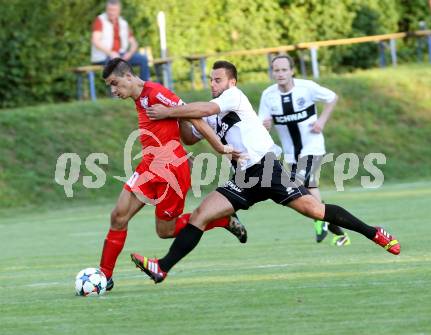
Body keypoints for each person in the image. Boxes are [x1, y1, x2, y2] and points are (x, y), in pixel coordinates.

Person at [132, 60, 400, 284]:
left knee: (315, 211)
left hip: (266, 167)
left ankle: (374, 232)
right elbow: (190, 137)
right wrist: (175, 116)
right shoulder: (211, 114)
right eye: (211, 80)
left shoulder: (232, 97)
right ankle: (162, 268)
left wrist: (170, 109)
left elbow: (205, 108)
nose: (213, 84)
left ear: (231, 82)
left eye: (218, 80)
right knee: (200, 215)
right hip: (243, 177)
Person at [99, 58, 247, 291]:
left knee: (165, 231)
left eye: (115, 84)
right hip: (148, 167)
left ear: (128, 77)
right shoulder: (139, 97)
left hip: (171, 171)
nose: (113, 90)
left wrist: (219, 147)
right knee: (118, 216)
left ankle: (220, 219)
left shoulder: (156, 92)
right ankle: (103, 276)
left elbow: (193, 116)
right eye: (110, 86)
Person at [259, 54, 350, 246]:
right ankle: (339, 233)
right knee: (306, 191)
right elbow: (262, 122)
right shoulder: (268, 95)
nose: (281, 73)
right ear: (272, 73)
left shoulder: (306, 88)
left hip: (313, 147)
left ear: (292, 71)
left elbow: (332, 98)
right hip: (291, 153)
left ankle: (320, 221)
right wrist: (266, 125)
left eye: (284, 70)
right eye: (277, 70)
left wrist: (322, 121)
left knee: (298, 185)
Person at [91, 0, 150, 80]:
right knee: (118, 65)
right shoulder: (100, 20)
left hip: (121, 55)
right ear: (106, 9)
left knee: (143, 59)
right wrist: (111, 53)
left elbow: (134, 43)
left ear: (119, 10)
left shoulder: (123, 23)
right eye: (109, 10)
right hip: (104, 57)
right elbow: (95, 41)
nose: (111, 12)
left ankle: (144, 90)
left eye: (114, 10)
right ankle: (118, 92)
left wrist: (129, 53)